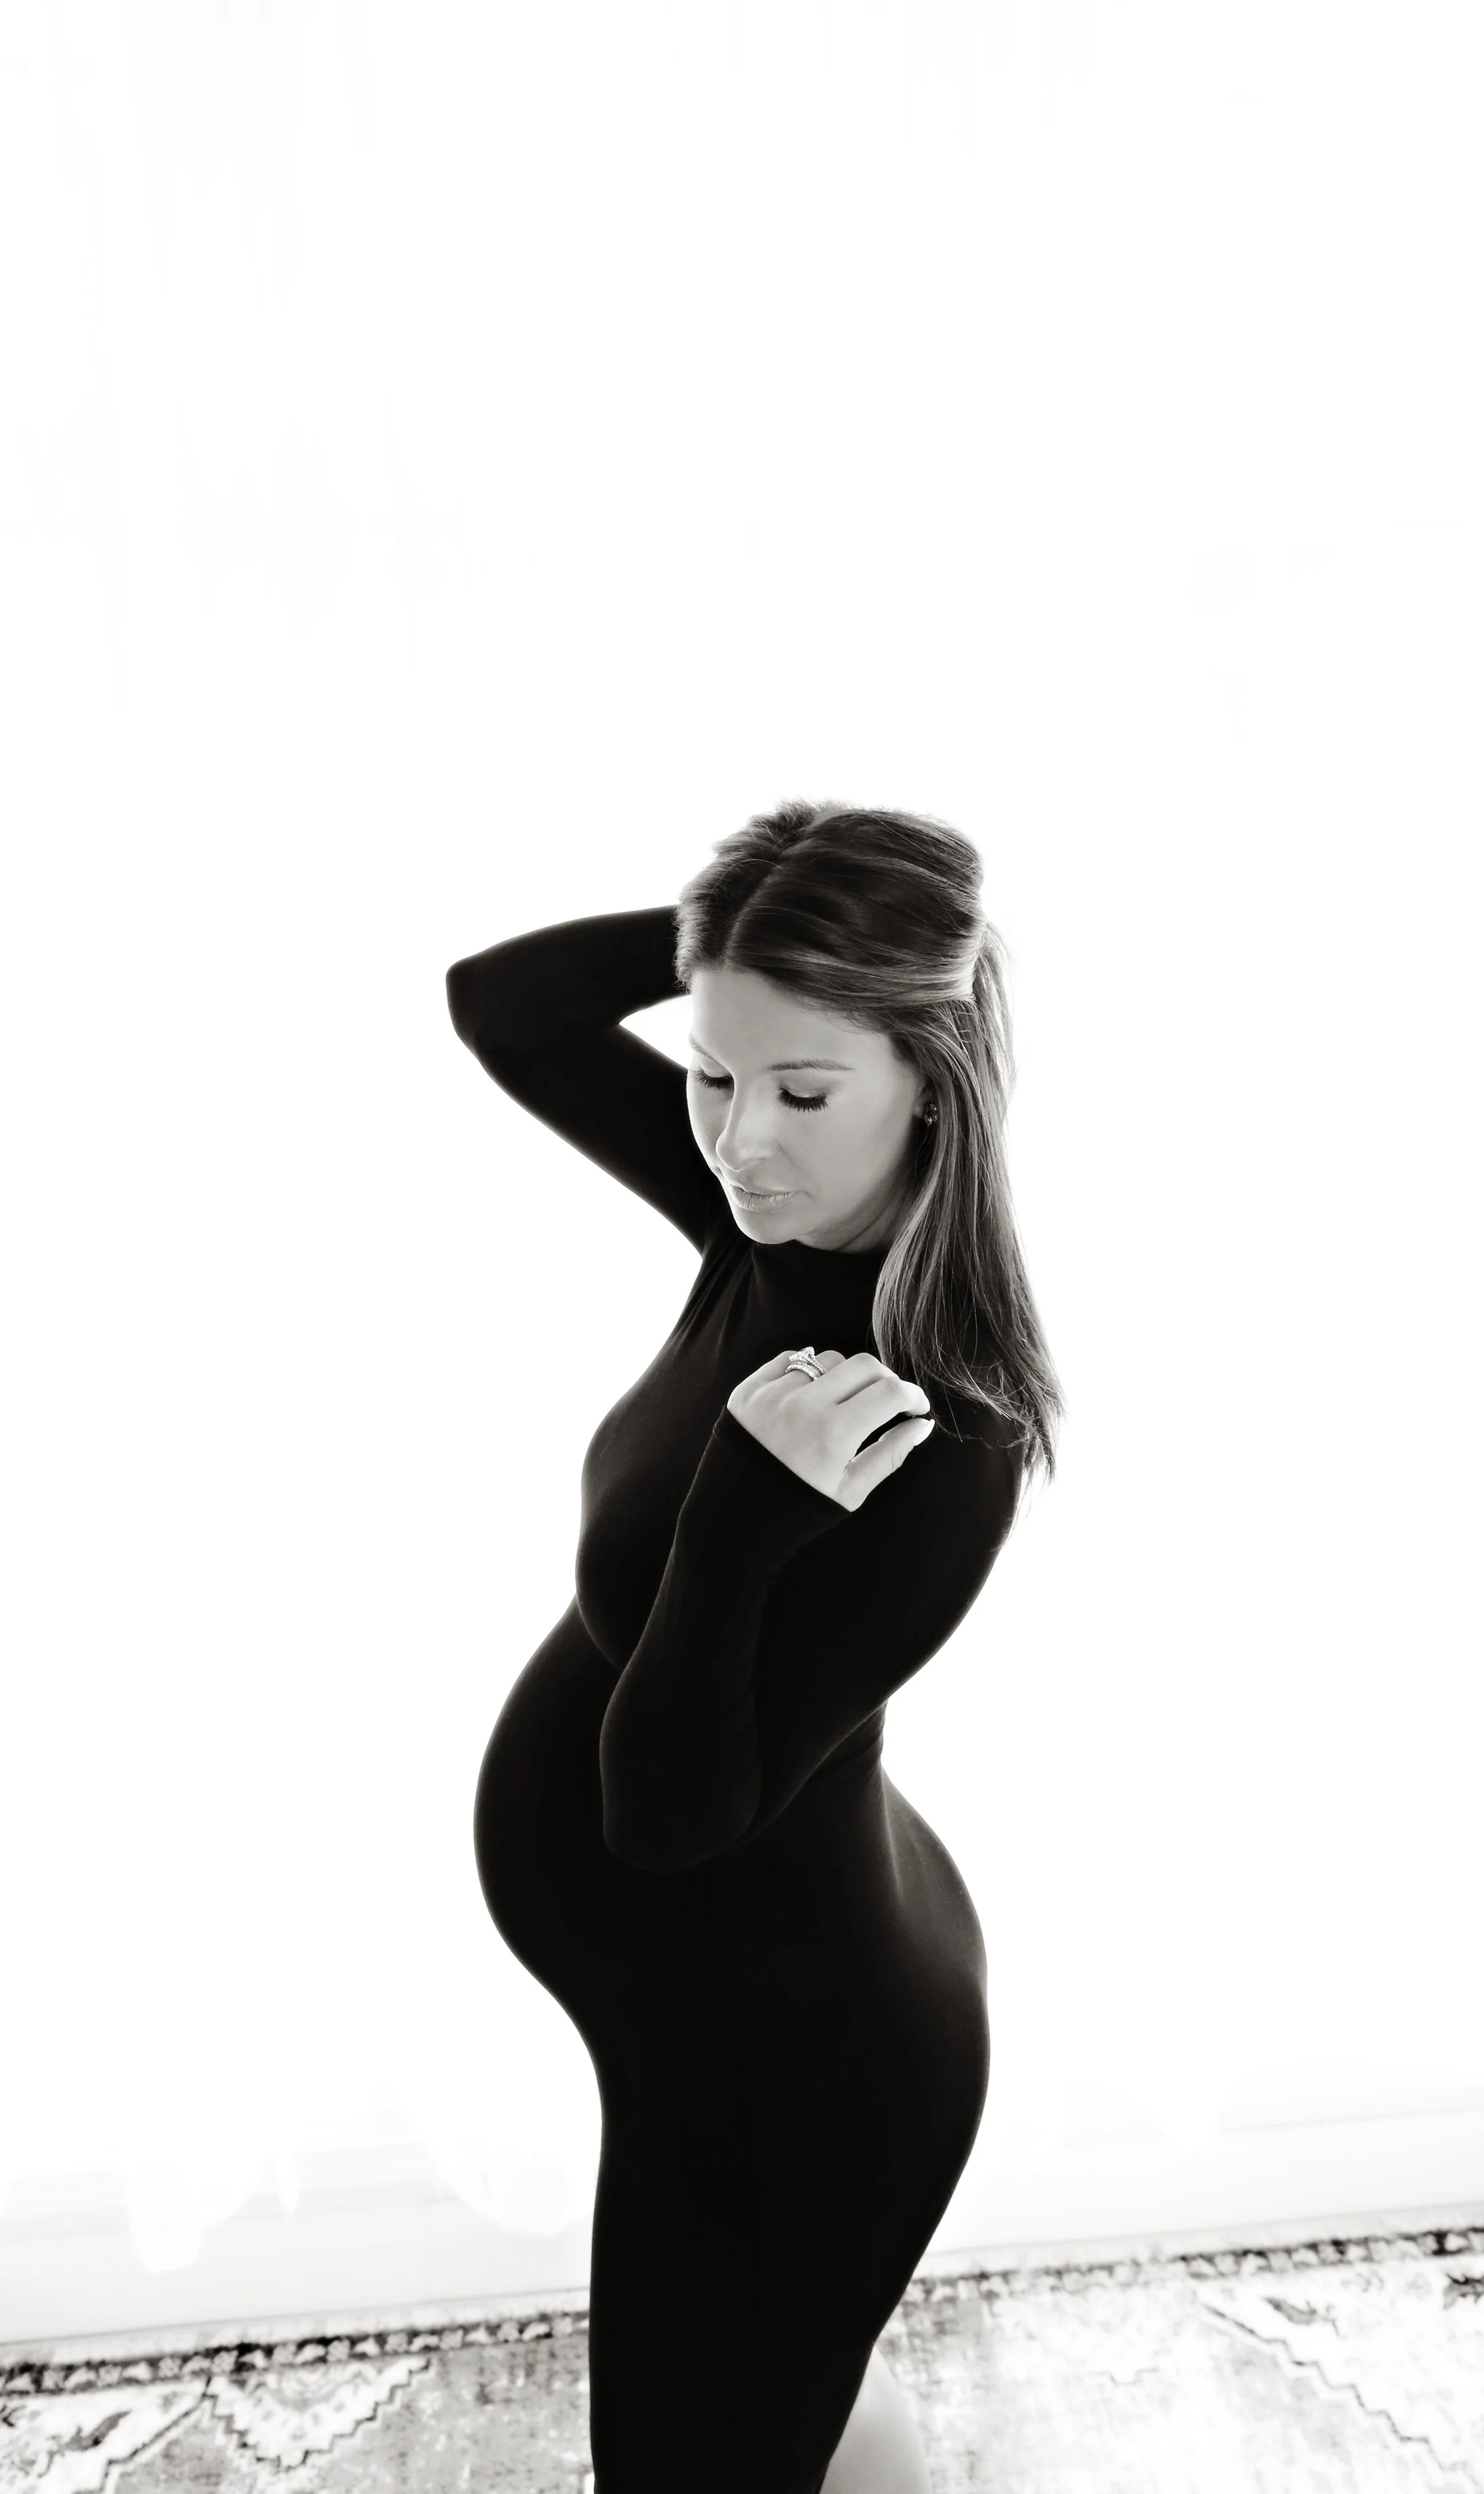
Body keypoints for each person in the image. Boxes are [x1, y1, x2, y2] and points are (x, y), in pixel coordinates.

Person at [446, 798, 1064, 2492]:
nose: (734, 1139)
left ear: (931, 1079)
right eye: (711, 1074)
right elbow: (502, 1006)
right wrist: (743, 935)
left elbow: (667, 1823)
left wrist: (738, 1519)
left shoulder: (940, 1427)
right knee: (782, 2420)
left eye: (800, 1089)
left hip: (794, 2067)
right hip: (710, 2004)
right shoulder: (768, 1217)